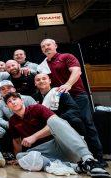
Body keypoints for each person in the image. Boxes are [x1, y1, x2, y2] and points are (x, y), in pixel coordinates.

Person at [5, 92, 110, 178]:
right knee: (20, 157)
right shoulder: (12, 121)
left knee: (53, 120)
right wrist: (16, 158)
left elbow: (55, 123)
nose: (13, 102)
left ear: (21, 100)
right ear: (7, 106)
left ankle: (89, 160)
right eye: (9, 102)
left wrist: (34, 136)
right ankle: (76, 167)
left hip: (62, 144)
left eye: (15, 99)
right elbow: (17, 141)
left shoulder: (37, 108)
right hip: (45, 152)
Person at [40, 38, 105, 166]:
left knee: (87, 124)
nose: (46, 47)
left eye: (48, 44)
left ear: (55, 45)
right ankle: (79, 158)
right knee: (66, 126)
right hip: (61, 99)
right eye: (43, 46)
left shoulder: (66, 57)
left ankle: (98, 158)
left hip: (77, 95)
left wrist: (68, 84)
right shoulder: (42, 65)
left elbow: (77, 71)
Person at [33, 74, 87, 144]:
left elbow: (74, 109)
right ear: (35, 83)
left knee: (76, 121)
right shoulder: (33, 98)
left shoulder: (60, 92)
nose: (41, 81)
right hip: (45, 126)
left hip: (63, 121)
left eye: (44, 79)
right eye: (38, 80)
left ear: (49, 81)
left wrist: (58, 120)